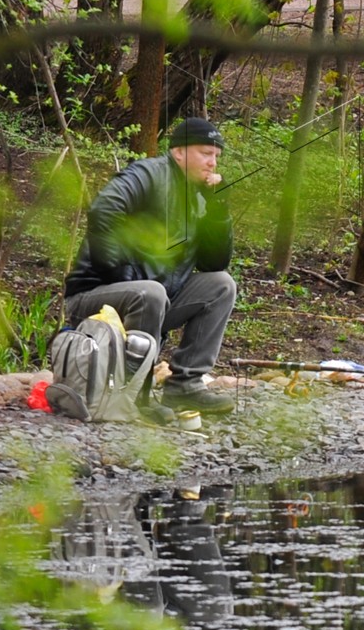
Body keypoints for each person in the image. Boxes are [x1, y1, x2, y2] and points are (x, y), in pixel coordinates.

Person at [63, 117, 237, 415]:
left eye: (216, 156)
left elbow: (214, 262)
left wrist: (217, 208)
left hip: (153, 304)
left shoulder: (199, 199)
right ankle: (134, 397)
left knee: (221, 285)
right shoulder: (149, 173)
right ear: (178, 152)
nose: (213, 163)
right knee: (150, 292)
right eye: (205, 153)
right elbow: (104, 209)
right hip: (96, 300)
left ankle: (185, 386)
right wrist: (116, 273)